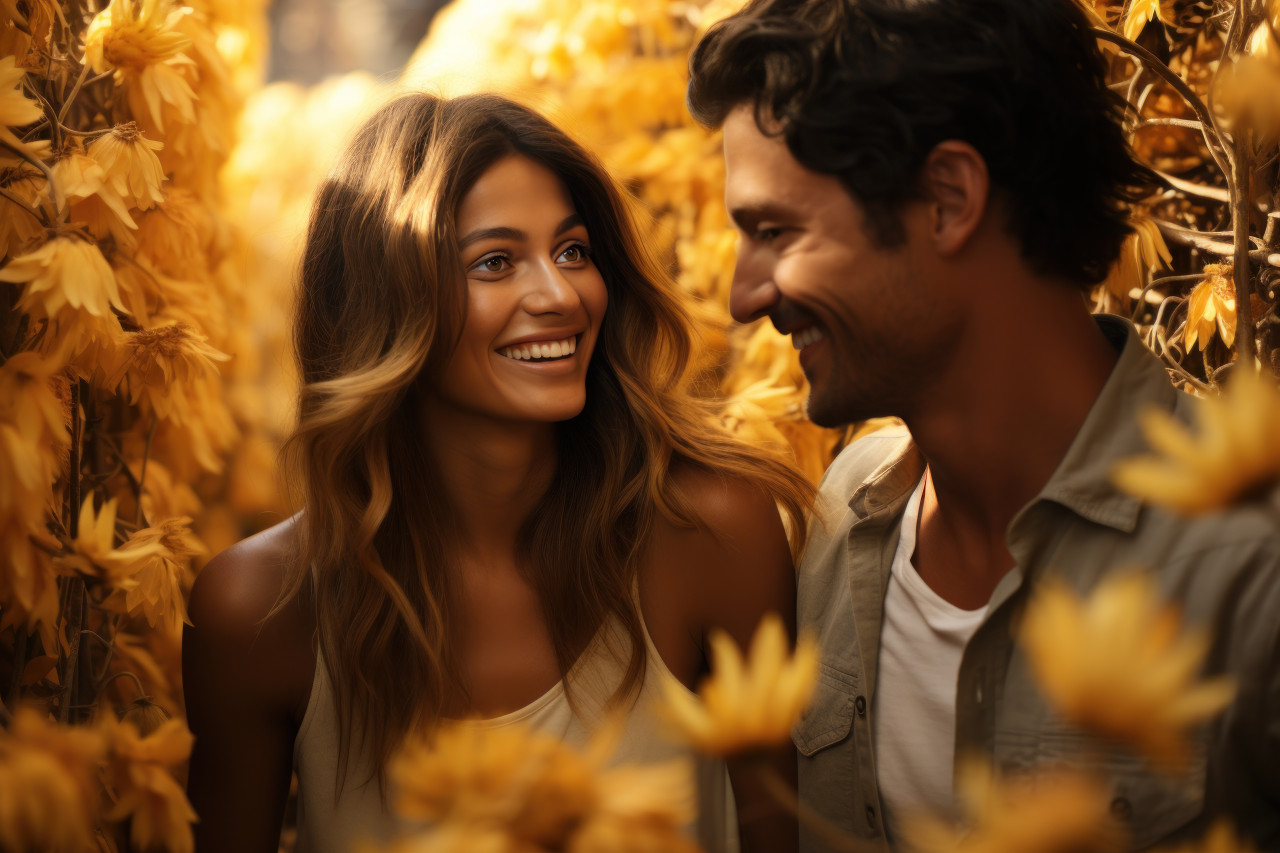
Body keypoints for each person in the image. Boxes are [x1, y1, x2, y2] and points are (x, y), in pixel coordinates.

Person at [687, 0, 1280, 849]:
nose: (743, 297)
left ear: (947, 198)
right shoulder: (844, 510)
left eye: (776, 231)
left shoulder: (1250, 563)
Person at [183, 92, 813, 853]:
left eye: (573, 251)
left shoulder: (711, 534)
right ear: (385, 308)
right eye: (495, 262)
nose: (560, 295)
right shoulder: (259, 610)